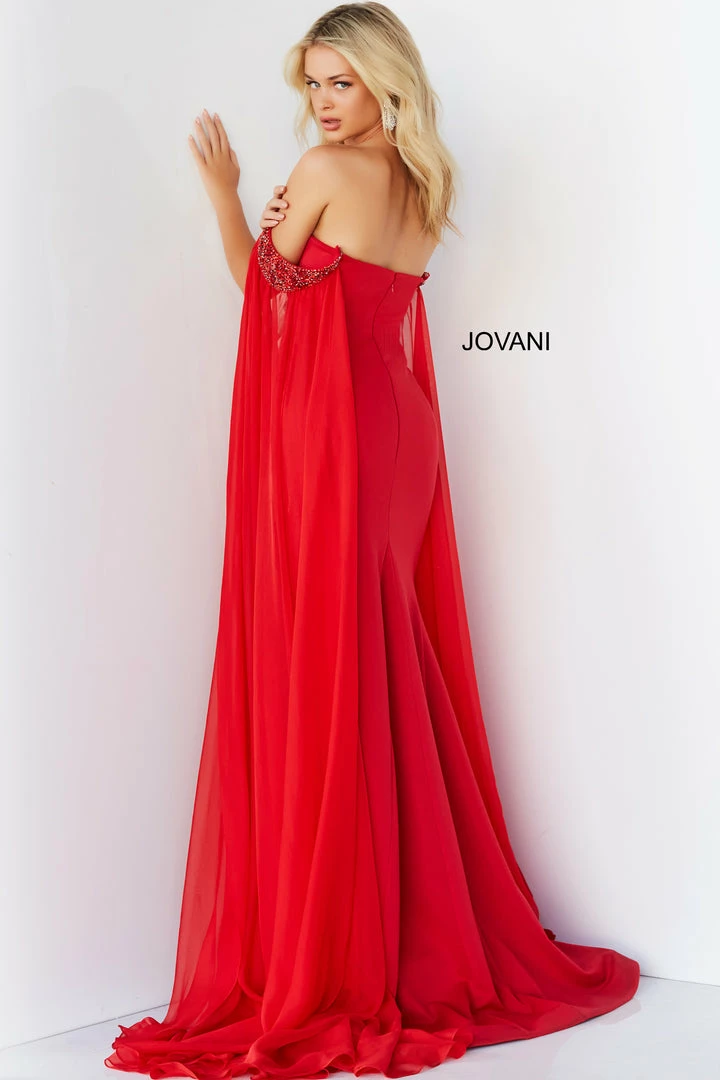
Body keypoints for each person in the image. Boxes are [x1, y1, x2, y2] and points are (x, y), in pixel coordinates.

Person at [105, 4, 641, 1078]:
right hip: (402, 434)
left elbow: (260, 299)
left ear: (385, 82)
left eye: (339, 82)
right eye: (311, 84)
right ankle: (398, 920)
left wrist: (224, 194)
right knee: (379, 659)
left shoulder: (322, 172)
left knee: (331, 667)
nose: (320, 103)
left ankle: (342, 943)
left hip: (335, 440)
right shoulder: (422, 182)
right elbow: (342, 303)